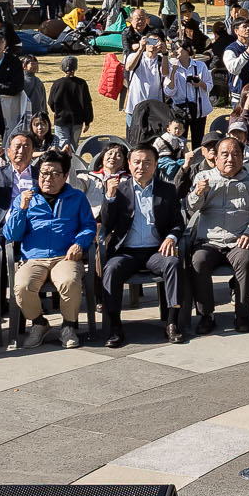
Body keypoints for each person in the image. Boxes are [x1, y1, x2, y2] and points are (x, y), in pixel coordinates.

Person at [95, 144, 185, 346]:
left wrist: (171, 237)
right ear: (129, 164)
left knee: (173, 264)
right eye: (136, 162)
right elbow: (107, 224)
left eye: (147, 162)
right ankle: (115, 326)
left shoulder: (167, 190)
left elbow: (178, 222)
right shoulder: (120, 189)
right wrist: (109, 197)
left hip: (156, 250)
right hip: (127, 252)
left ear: (155, 166)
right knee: (111, 268)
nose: (141, 167)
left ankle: (172, 322)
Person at [4, 149, 95, 348]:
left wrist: (80, 243)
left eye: (55, 174)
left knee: (69, 281)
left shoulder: (76, 197)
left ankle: (68, 326)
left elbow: (89, 226)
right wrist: (22, 209)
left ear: (64, 176)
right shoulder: (25, 197)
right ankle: (39, 323)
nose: (48, 178)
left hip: (64, 256)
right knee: (22, 285)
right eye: (44, 173)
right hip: (33, 257)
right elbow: (11, 235)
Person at [182, 134, 249, 334]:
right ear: (216, 158)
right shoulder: (203, 178)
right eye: (225, 154)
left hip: (238, 241)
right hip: (209, 241)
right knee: (198, 261)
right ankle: (207, 315)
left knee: (246, 259)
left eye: (235, 154)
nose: (230, 159)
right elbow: (190, 208)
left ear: (242, 157)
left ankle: (242, 314)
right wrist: (197, 193)